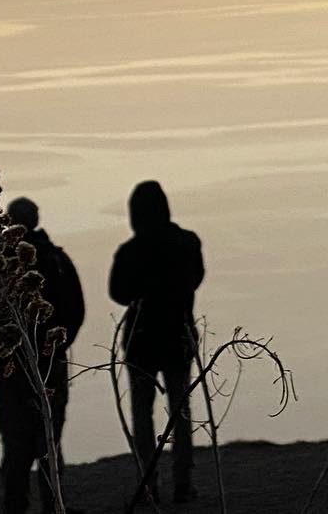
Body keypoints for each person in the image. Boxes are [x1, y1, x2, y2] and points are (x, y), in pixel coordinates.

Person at [0, 196, 85, 514]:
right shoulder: (57, 260)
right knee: (49, 437)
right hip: (51, 366)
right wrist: (56, 347)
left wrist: (2, 349)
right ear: (36, 219)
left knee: (15, 442)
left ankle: (15, 505)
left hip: (12, 367)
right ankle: (53, 506)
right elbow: (76, 310)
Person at [109, 181, 205, 505]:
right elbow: (196, 278)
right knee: (181, 409)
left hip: (141, 341)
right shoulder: (187, 242)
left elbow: (118, 293)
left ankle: (149, 483)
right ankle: (184, 482)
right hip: (178, 335)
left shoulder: (130, 252)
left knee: (142, 413)